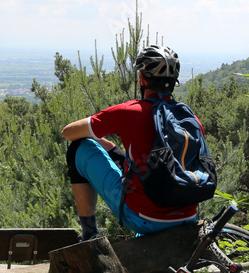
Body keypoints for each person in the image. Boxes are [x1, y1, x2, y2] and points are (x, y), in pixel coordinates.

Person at [61, 45, 204, 240]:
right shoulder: (190, 118)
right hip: (188, 217)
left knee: (78, 147)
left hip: (143, 219)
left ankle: (89, 234)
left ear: (143, 79)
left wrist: (96, 136)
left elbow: (68, 132)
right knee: (118, 155)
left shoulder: (129, 111)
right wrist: (114, 150)